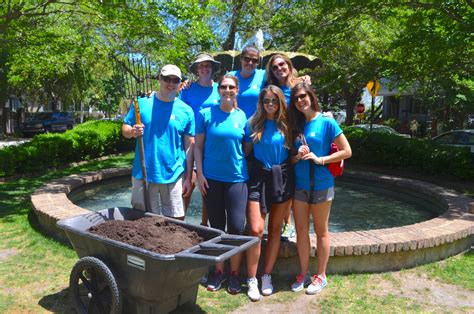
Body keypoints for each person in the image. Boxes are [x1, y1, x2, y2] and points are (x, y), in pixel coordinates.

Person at [288, 83, 351, 294]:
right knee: (301, 231)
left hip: (323, 185)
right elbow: (290, 160)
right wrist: (298, 156)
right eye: (296, 98)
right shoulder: (295, 125)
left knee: (322, 231)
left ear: (311, 96)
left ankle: (321, 275)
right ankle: (304, 273)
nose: (300, 101)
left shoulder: (327, 122)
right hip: (300, 185)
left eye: (303, 96)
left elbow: (347, 151)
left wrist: (321, 159)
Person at [194, 74, 248, 294]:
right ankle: (218, 271)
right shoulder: (206, 114)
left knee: (236, 227)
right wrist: (200, 174)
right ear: (219, 90)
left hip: (236, 179)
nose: (227, 90)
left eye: (231, 87)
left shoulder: (243, 117)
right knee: (217, 228)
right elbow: (197, 147)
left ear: (237, 91)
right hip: (212, 179)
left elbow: (247, 148)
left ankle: (234, 274)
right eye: (224, 87)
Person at [122, 64, 194, 220]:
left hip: (173, 173)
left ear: (180, 83)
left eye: (175, 80)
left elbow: (189, 146)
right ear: (159, 79)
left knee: (176, 222)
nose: (170, 83)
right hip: (144, 173)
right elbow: (125, 128)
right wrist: (132, 132)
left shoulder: (186, 111)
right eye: (166, 78)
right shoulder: (141, 104)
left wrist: (189, 176)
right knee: (143, 220)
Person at [243, 85, 294, 301]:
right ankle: (251, 279)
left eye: (274, 100)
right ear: (261, 103)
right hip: (258, 178)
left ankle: (266, 275)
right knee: (256, 229)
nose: (270, 104)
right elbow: (244, 153)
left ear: (280, 102)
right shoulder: (253, 123)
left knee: (274, 229)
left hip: (282, 178)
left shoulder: (289, 125)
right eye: (266, 101)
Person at [266, 53, 312, 240]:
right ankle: (282, 222)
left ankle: (290, 224)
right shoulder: (271, 88)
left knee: (293, 177)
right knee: (282, 176)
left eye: (282, 65)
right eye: (275, 67)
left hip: (296, 135)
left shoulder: (298, 86)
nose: (279, 69)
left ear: (289, 65)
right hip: (278, 136)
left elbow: (310, 104)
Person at [180, 53, 221, 224]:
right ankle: (178, 221)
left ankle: (205, 225)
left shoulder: (221, 89)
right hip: (192, 143)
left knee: (208, 187)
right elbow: (181, 112)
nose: (204, 68)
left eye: (207, 65)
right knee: (189, 183)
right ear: (197, 70)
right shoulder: (187, 89)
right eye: (201, 66)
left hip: (211, 145)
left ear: (212, 69)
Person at [229, 45, 267, 119]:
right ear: (241, 59)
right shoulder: (230, 76)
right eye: (247, 59)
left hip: (256, 125)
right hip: (234, 122)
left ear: (258, 63)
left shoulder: (263, 75)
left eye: (254, 60)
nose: (250, 63)